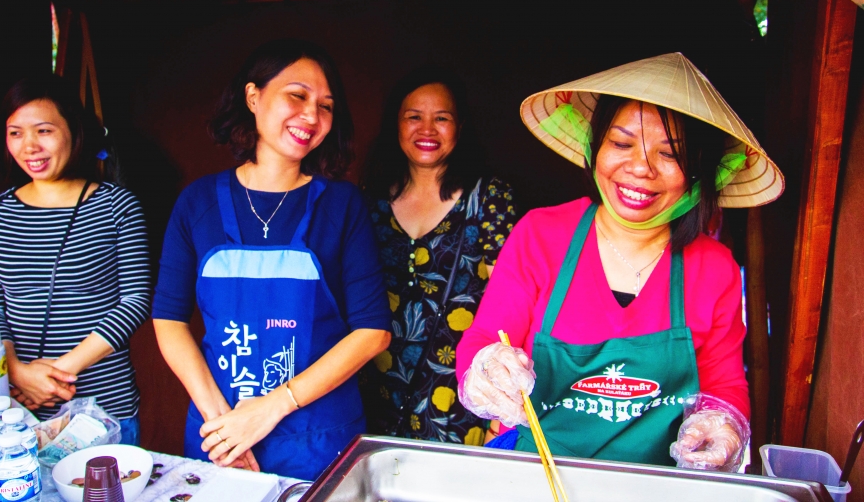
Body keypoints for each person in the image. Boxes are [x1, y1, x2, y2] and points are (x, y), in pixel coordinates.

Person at [456, 53, 784, 471]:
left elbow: (724, 384)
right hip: (536, 474)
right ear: (595, 146)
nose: (639, 169)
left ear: (699, 169)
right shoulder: (541, 235)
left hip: (656, 485)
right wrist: (486, 368)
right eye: (621, 143)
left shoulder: (714, 267)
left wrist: (722, 426)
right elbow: (485, 335)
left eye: (670, 154)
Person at [150, 39, 392, 481]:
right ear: (253, 96)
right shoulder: (197, 202)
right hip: (218, 430)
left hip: (318, 438)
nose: (312, 116)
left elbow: (372, 332)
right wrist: (226, 423)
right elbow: (168, 319)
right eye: (297, 96)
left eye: (326, 106)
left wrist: (269, 409)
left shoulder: (342, 205)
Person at [0, 75, 151, 445]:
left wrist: (56, 375)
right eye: (15, 133)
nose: (30, 146)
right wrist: (18, 373)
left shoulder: (116, 206)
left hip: (104, 407)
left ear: (75, 130)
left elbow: (135, 301)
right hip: (17, 410)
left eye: (44, 130)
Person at [359, 66, 516, 445]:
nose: (426, 130)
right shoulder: (370, 197)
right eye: (414, 117)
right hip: (377, 389)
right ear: (396, 124)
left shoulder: (489, 198)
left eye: (441, 118)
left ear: (459, 128)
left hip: (458, 394)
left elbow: (510, 298)